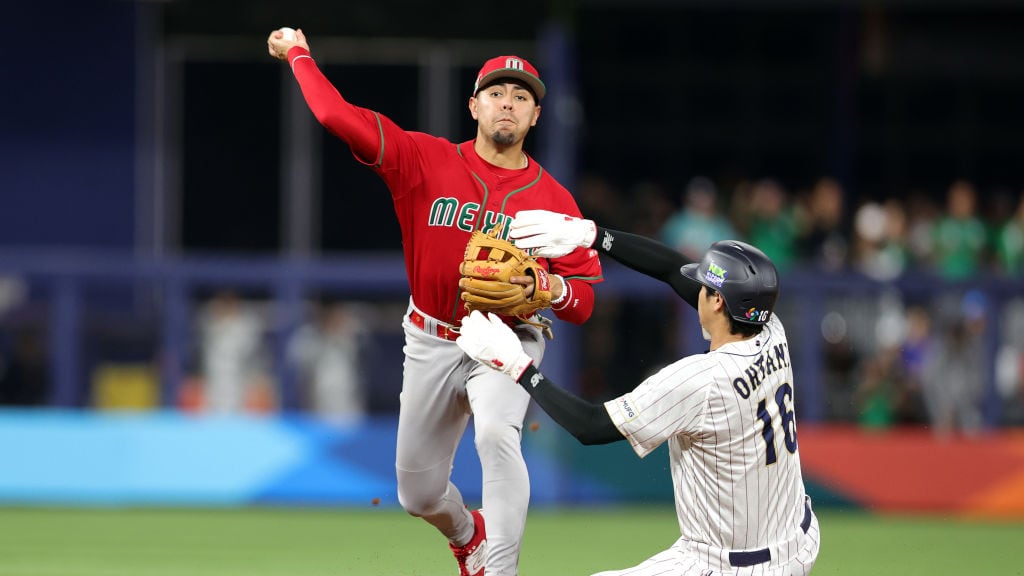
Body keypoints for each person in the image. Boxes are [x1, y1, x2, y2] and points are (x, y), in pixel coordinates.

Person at [267, 30, 603, 576]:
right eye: (497, 93)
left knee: (497, 434)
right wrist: (300, 55)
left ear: (536, 116)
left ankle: (500, 569)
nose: (508, 104)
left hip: (507, 337)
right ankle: (469, 535)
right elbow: (336, 117)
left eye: (522, 97)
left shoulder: (554, 201)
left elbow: (585, 302)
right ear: (474, 105)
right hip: (430, 334)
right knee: (417, 494)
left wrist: (550, 291)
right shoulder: (424, 159)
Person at [456, 209, 820, 576]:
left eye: (705, 288)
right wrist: (592, 235)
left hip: (728, 566)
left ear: (718, 302)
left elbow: (591, 425)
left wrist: (517, 367)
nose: (697, 292)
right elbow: (671, 269)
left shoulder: (700, 381)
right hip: (797, 540)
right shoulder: (771, 328)